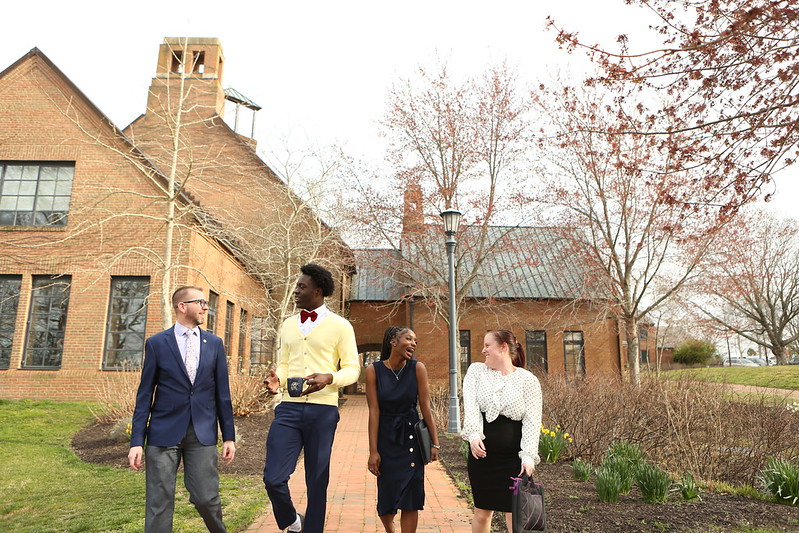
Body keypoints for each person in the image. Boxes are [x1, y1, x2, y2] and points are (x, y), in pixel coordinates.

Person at [128, 286, 236, 533]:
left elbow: (223, 395)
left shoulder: (214, 344)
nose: (206, 308)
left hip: (202, 434)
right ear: (182, 306)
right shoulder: (156, 344)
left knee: (206, 498)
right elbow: (144, 395)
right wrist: (136, 441)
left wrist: (228, 436)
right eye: (201, 302)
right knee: (159, 502)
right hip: (163, 433)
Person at [263, 263, 361, 533]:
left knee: (317, 481)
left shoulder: (341, 326)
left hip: (323, 411)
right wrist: (277, 379)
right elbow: (284, 364)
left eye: (301, 287)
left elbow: (353, 368)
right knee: (273, 478)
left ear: (317, 291)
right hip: (288, 410)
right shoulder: (287, 325)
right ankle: (293, 522)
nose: (295, 291)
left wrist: (330, 378)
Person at [461, 330, 543, 533]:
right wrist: (473, 437)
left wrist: (528, 457)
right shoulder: (476, 371)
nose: (483, 350)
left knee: (515, 512)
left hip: (513, 458)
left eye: (487, 345)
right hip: (482, 456)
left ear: (503, 347)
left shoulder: (528, 380)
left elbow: (533, 421)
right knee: (482, 512)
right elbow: (470, 407)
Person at [366, 326, 440, 533]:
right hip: (386, 438)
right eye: (409, 339)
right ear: (393, 341)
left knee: (411, 497)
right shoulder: (373, 370)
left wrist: (434, 443)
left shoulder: (418, 368)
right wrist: (373, 451)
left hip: (411, 438)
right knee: (387, 498)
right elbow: (374, 412)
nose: (414, 344)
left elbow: (425, 407)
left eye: (415, 340)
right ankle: (390, 529)